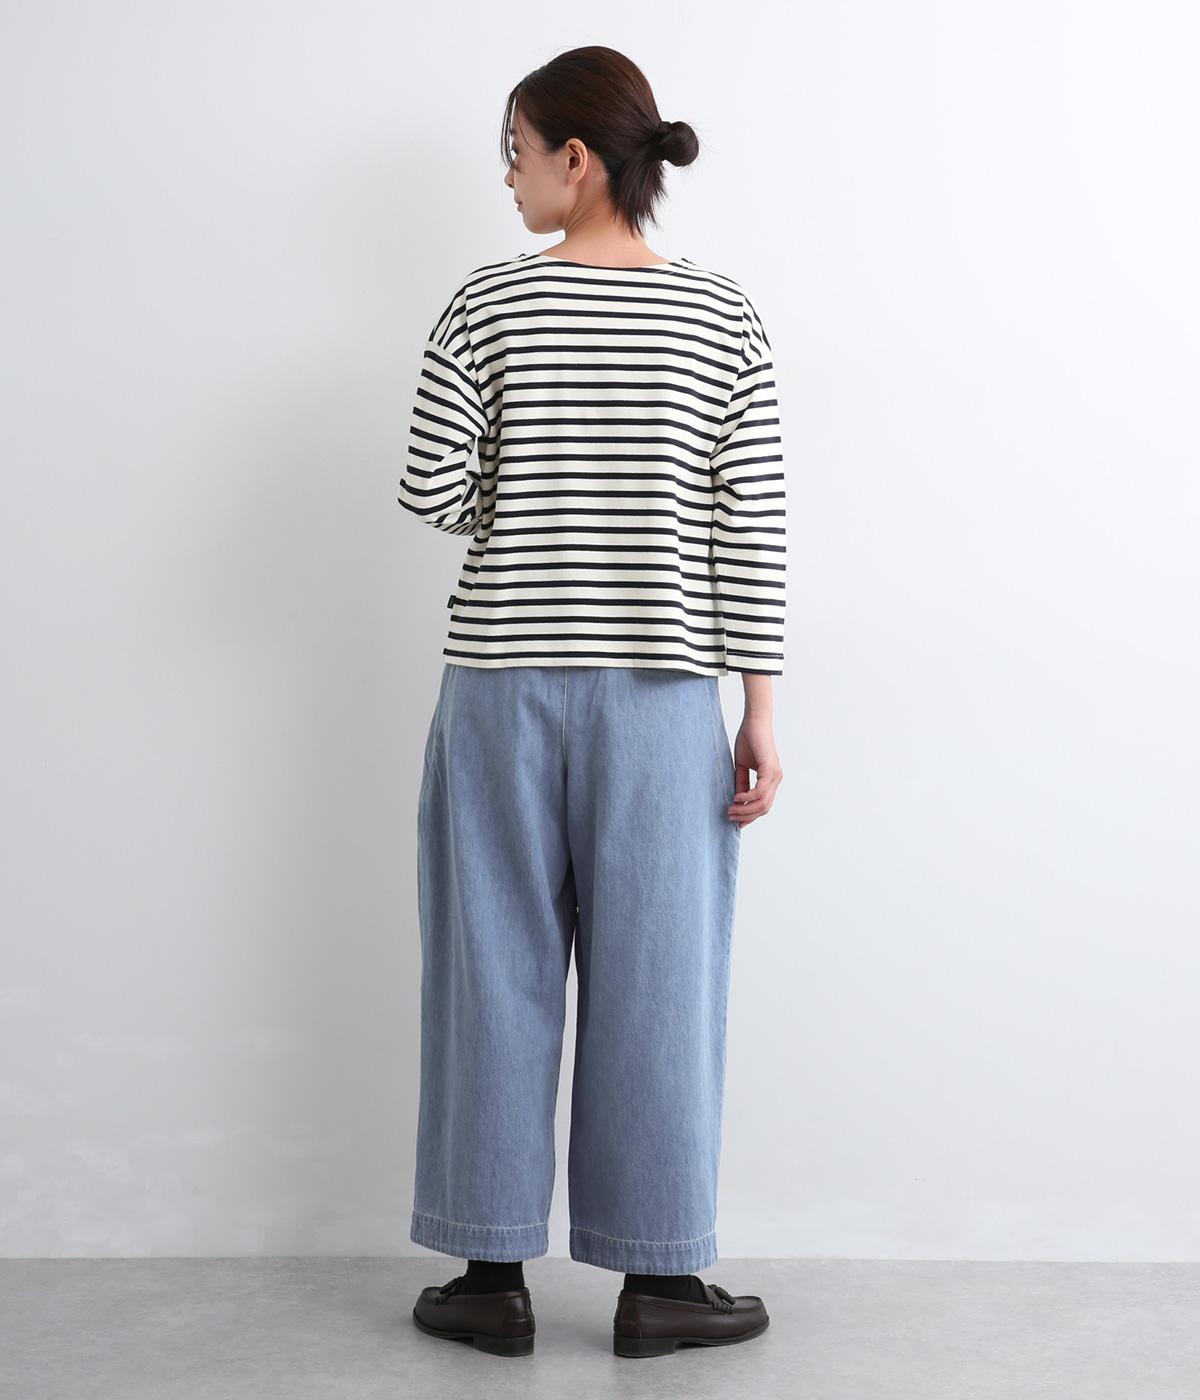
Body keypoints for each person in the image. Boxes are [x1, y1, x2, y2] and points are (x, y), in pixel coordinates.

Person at [398, 45, 785, 1360]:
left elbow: (430, 491)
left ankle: (488, 1276)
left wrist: (526, 486)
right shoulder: (722, 316)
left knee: (492, 971)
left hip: (501, 689)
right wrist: (760, 710)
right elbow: (749, 531)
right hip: (664, 703)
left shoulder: (487, 304)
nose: (507, 177)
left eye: (515, 152)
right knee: (660, 985)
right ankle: (661, 1284)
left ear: (577, 158)